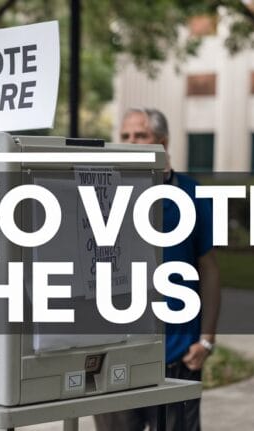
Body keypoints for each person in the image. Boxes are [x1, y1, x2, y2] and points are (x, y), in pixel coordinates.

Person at [94, 108, 221, 431]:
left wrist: (205, 340)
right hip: (116, 356)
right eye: (125, 136)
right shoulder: (104, 194)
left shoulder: (192, 194)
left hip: (176, 357)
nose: (131, 142)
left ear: (162, 142)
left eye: (141, 136)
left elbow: (208, 269)